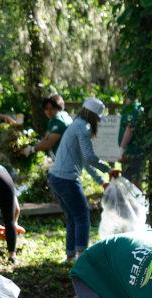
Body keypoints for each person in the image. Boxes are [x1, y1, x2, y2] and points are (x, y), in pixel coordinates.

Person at [48, 97, 113, 261]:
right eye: (98, 118)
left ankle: (70, 256)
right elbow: (90, 158)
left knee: (72, 216)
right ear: (93, 115)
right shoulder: (83, 127)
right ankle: (83, 258)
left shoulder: (76, 124)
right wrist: (109, 169)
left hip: (56, 177)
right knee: (83, 216)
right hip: (66, 178)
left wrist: (101, 181)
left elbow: (85, 161)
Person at [24, 95, 71, 159]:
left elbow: (49, 143)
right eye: (46, 109)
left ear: (58, 108)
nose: (49, 112)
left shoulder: (59, 122)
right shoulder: (54, 119)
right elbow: (46, 138)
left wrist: (32, 149)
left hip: (66, 160)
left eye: (52, 108)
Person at [118, 91, 146, 187]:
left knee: (131, 184)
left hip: (131, 153)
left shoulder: (131, 110)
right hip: (138, 152)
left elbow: (129, 130)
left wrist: (121, 150)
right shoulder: (140, 109)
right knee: (136, 182)